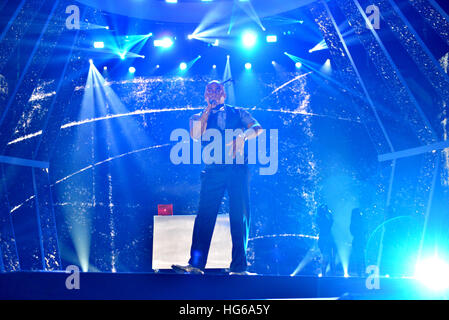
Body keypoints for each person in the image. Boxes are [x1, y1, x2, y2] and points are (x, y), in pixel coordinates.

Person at [172, 80, 262, 275]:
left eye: (217, 89)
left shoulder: (238, 112)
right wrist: (207, 111)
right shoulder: (198, 116)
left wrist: (242, 136)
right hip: (213, 170)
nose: (213, 93)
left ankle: (239, 268)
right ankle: (196, 265)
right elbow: (196, 135)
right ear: (205, 95)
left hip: (238, 170)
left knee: (240, 216)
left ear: (224, 94)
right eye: (209, 90)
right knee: (204, 216)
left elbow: (257, 127)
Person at [316, 204, 337, 276]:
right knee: (327, 256)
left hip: (325, 239)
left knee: (329, 256)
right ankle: (325, 273)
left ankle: (327, 273)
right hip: (325, 239)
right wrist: (330, 215)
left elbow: (330, 224)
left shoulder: (321, 218)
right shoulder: (320, 218)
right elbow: (329, 225)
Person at [349, 208, 367, 276]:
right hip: (359, 240)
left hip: (358, 240)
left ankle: (360, 272)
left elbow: (352, 231)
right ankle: (362, 271)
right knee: (361, 256)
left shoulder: (355, 221)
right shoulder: (359, 221)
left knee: (359, 256)